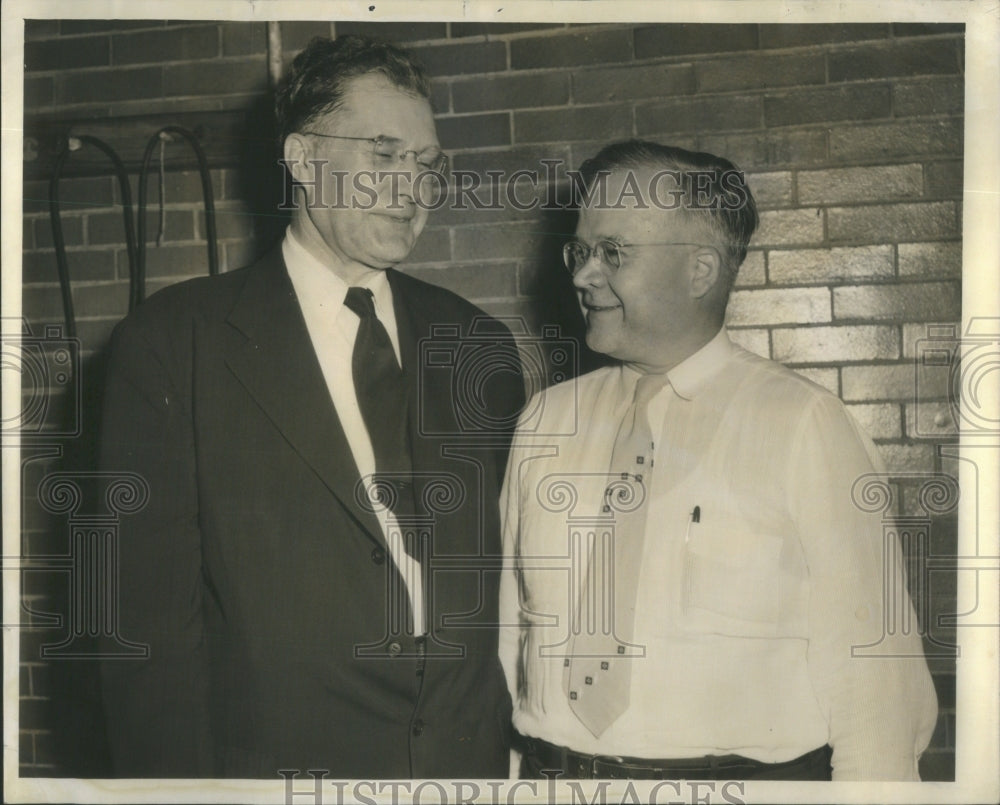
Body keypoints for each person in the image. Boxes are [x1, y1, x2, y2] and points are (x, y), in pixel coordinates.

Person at [99, 35, 524, 778]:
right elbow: (145, 643)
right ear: (300, 158)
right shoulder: (175, 344)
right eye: (384, 155)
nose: (411, 188)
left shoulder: (476, 343)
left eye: (427, 166)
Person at [498, 140, 938, 781]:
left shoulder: (804, 426)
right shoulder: (543, 422)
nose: (583, 274)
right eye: (580, 250)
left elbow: (878, 694)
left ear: (700, 270)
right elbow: (506, 639)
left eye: (613, 253)